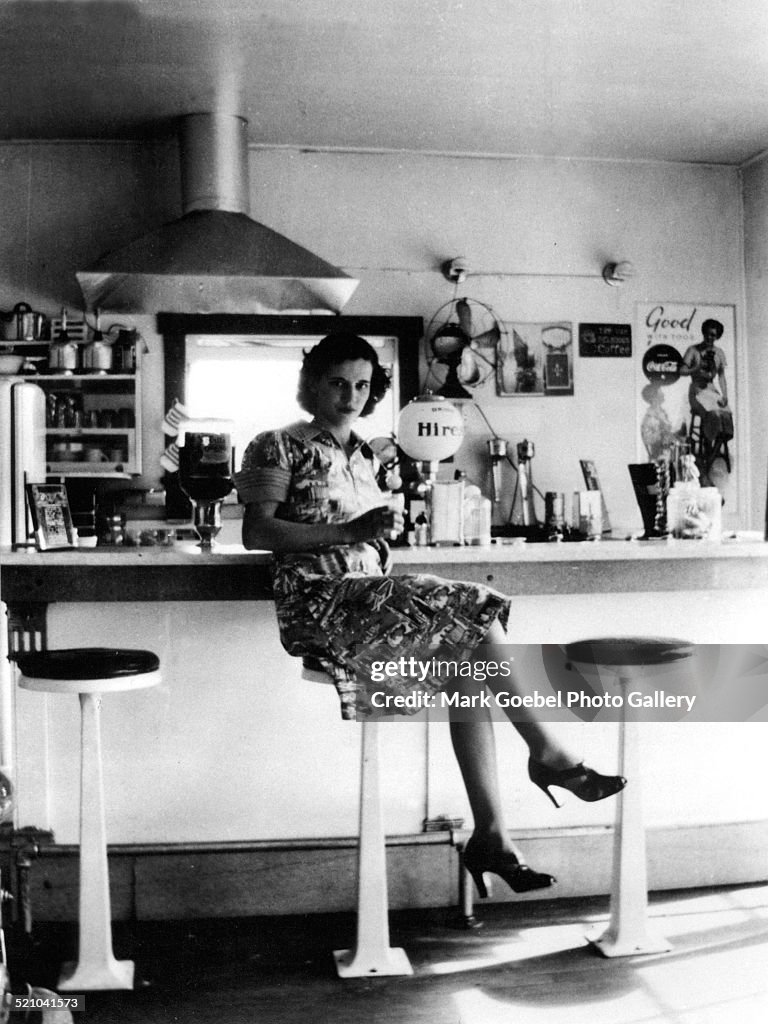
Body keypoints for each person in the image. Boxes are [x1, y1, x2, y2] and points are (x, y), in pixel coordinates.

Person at [235, 331, 625, 899]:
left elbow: (366, 535)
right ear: (311, 385)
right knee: (475, 604)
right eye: (337, 383)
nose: (350, 395)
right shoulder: (277, 444)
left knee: (472, 666)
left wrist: (376, 541)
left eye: (362, 386)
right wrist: (349, 532)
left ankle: (491, 832)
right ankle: (547, 753)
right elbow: (256, 531)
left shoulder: (367, 454)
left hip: (367, 600)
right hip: (317, 603)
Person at [680, 318, 733, 446]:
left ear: (717, 336)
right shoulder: (693, 350)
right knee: (713, 414)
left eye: (713, 335)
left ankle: (712, 453)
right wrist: (695, 368)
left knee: (726, 415)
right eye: (707, 333)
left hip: (711, 390)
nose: (709, 337)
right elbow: (681, 371)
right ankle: (708, 448)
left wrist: (725, 396)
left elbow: (721, 376)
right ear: (704, 333)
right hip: (696, 390)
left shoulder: (719, 353)